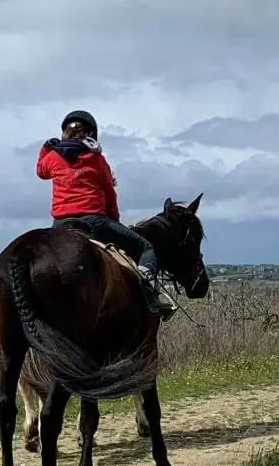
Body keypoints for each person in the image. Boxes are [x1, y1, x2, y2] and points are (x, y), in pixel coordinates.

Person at [37, 109, 177, 321]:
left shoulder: (53, 158)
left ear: (64, 132)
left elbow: (40, 171)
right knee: (146, 248)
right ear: (92, 134)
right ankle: (152, 297)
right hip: (95, 221)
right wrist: (114, 220)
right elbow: (109, 195)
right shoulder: (97, 160)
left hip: (60, 225)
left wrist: (47, 147)